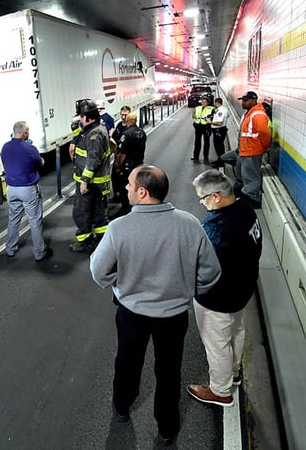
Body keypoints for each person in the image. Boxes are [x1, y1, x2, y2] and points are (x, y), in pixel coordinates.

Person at [90, 165, 221, 446]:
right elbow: (211, 272)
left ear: (142, 191)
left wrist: (120, 283)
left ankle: (123, 407)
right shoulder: (190, 224)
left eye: (129, 184)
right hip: (174, 316)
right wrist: (187, 289)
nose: (125, 188)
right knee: (169, 369)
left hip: (132, 314)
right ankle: (166, 428)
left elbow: (99, 272)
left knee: (127, 363)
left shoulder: (119, 228)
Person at [187, 169, 262, 407]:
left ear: (216, 196)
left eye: (203, 198)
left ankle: (220, 391)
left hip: (217, 298)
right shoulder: (246, 210)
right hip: (243, 288)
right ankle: (235, 372)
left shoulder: (215, 228)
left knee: (217, 344)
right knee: (236, 331)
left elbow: (200, 267)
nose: (202, 203)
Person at [0, 121, 51, 261]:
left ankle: (10, 248)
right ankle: (39, 252)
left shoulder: (5, 147)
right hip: (28, 188)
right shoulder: (30, 148)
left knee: (13, 218)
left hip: (11, 189)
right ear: (25, 133)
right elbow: (39, 163)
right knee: (34, 220)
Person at [70, 98, 112, 253]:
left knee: (82, 212)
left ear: (88, 116)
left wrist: (84, 181)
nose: (80, 118)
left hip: (91, 183)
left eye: (81, 116)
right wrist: (74, 125)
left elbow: (93, 160)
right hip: (96, 183)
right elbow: (79, 137)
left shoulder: (95, 134)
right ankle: (102, 240)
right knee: (98, 211)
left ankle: (86, 241)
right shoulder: (93, 129)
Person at [234, 91, 271, 208]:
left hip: (252, 151)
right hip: (245, 150)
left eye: (245, 100)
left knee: (251, 177)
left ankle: (253, 200)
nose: (243, 102)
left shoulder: (258, 114)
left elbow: (264, 133)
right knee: (246, 175)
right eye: (243, 100)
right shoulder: (250, 113)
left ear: (254, 100)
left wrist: (265, 147)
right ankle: (247, 194)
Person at [110, 112, 146, 218]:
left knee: (125, 187)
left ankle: (125, 208)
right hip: (139, 164)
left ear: (129, 120)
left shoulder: (126, 134)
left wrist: (118, 166)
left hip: (127, 166)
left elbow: (122, 153)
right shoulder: (142, 133)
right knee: (137, 186)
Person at [109, 105, 132, 203]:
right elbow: (113, 138)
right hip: (117, 155)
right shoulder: (119, 125)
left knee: (125, 179)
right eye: (122, 115)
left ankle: (126, 199)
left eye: (125, 115)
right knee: (114, 177)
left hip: (126, 157)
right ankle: (117, 196)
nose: (123, 117)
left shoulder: (130, 128)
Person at [191, 96, 215, 162]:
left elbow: (215, 117)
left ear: (207, 102)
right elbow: (193, 115)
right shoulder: (197, 108)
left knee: (206, 142)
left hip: (206, 127)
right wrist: (194, 115)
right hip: (198, 126)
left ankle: (205, 156)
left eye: (204, 102)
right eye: (202, 102)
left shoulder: (211, 109)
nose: (203, 103)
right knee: (197, 142)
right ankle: (196, 156)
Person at [209, 97, 229, 168]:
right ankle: (219, 160)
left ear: (216, 103)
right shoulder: (225, 109)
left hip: (219, 130)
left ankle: (221, 162)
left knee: (219, 147)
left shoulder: (220, 111)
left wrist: (210, 122)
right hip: (220, 130)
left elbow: (220, 123)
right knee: (220, 146)